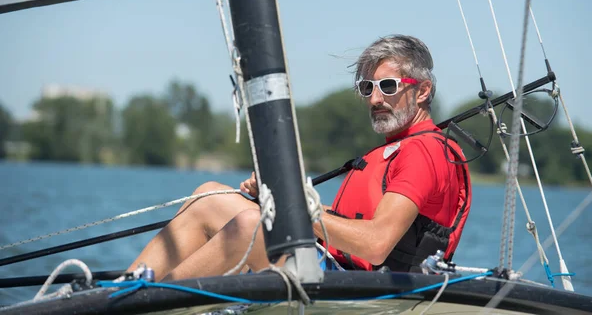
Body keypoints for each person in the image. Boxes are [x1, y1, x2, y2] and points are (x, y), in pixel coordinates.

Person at [127, 34, 471, 280]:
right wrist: (275, 198)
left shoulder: (422, 153)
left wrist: (296, 210)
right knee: (209, 196)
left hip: (364, 291)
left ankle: (149, 305)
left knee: (253, 228)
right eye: (367, 88)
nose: (375, 99)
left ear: (423, 90)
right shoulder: (398, 147)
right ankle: (125, 290)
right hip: (335, 268)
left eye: (388, 86)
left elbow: (377, 245)